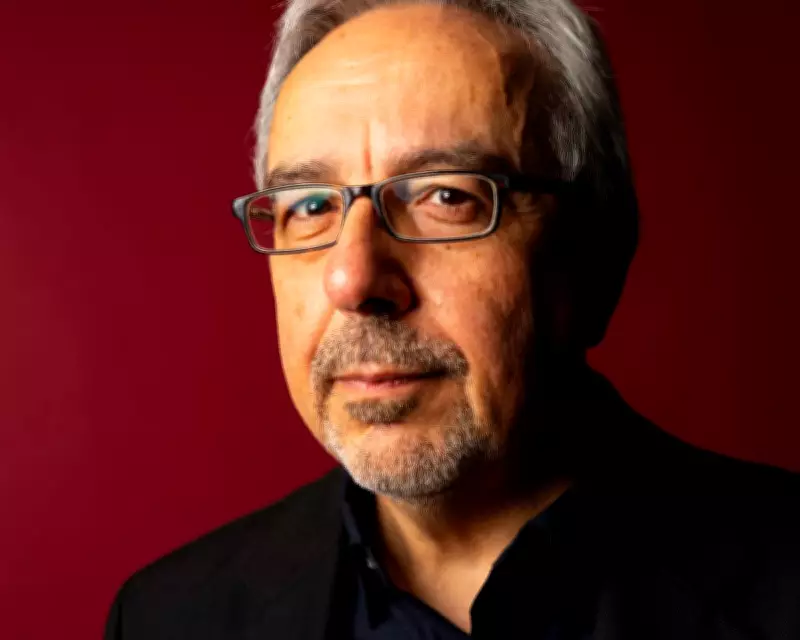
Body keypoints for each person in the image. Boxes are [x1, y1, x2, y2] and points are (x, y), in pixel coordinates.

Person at [104, 0, 800, 638]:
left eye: (447, 196)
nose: (353, 279)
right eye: (310, 206)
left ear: (595, 253)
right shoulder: (167, 618)